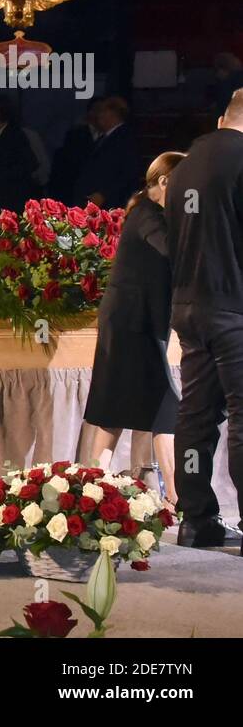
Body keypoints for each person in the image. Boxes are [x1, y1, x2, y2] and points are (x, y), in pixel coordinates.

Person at [83, 152, 185, 508]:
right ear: (163, 181)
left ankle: (95, 485)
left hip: (135, 321)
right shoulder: (147, 214)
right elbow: (172, 251)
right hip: (131, 322)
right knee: (161, 404)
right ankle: (174, 494)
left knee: (116, 404)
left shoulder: (151, 213)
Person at [165, 89, 243, 550]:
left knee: (195, 415)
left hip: (189, 307)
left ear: (221, 119)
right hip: (233, 306)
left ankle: (196, 520)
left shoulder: (184, 165)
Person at [73, 96, 141, 210]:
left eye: (102, 111)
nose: (99, 115)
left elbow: (127, 172)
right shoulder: (104, 138)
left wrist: (103, 194)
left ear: (113, 113)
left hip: (113, 204)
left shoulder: (125, 138)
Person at [0, 94, 38, 217]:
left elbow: (29, 164)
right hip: (1, 202)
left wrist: (0, 174)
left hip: (9, 202)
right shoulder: (1, 135)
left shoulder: (14, 135)